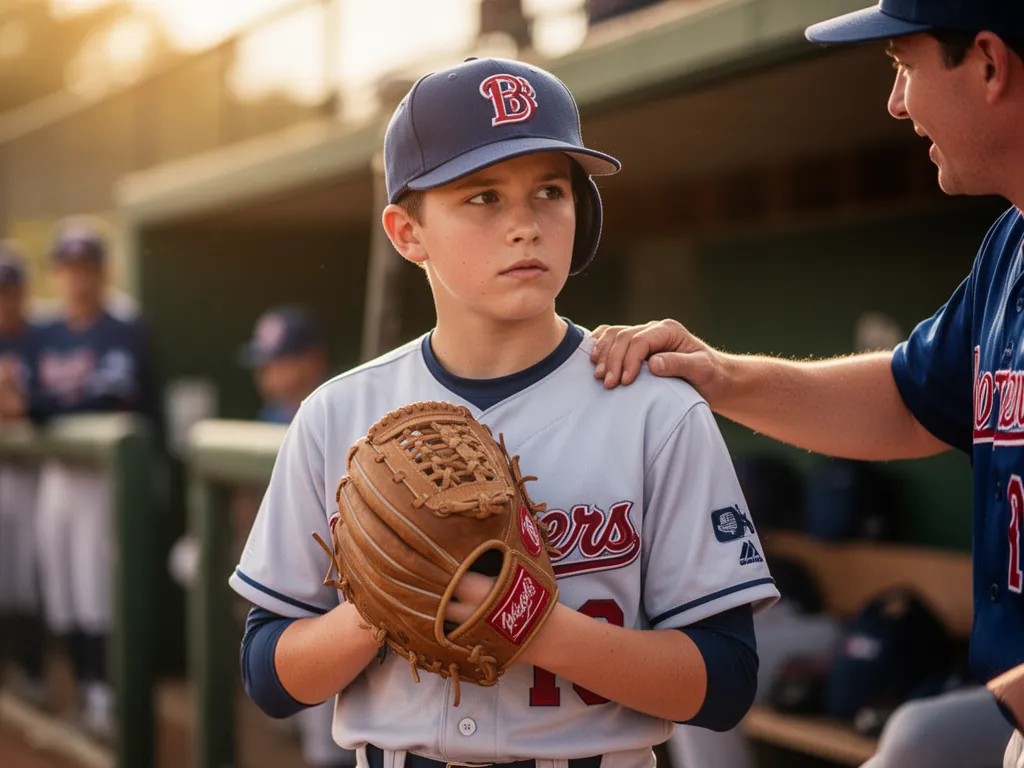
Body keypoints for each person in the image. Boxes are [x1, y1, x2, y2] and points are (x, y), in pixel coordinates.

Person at [229, 57, 779, 768]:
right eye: (482, 196)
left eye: (550, 190)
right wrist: (386, 598)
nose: (525, 224)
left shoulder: (655, 410)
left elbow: (725, 683)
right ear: (407, 233)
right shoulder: (339, 413)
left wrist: (536, 625)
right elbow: (269, 676)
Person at [587, 2, 1024, 765]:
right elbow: (907, 399)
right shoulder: (1011, 246)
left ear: (988, 62)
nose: (895, 102)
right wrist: (719, 375)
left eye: (903, 65)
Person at [26, 218, 157, 739]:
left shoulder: (122, 326)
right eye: (69, 268)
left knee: (96, 590)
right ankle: (84, 690)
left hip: (102, 481)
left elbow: (111, 395)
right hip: (58, 475)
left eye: (88, 268)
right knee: (61, 592)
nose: (78, 279)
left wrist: (37, 406)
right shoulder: (45, 332)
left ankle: (107, 701)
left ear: (104, 272)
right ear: (57, 273)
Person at [239, 305, 353, 768]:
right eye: (264, 362)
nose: (267, 372)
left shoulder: (343, 406)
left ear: (312, 360)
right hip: (291, 564)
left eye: (279, 359)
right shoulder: (269, 416)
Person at [0, 243, 46, 708]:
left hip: (33, 473)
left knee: (27, 577)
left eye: (10, 291)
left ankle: (31, 668)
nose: (5, 302)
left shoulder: (41, 338)